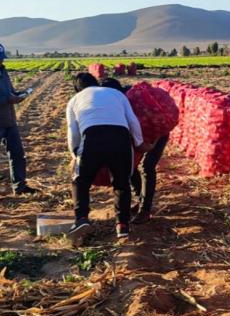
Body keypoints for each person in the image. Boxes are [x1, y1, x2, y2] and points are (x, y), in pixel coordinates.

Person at [66, 73, 150, 246]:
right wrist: (140, 143)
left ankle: (81, 218)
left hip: (92, 138)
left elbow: (72, 131)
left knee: (80, 181)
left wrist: (75, 155)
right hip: (120, 138)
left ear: (77, 89)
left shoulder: (75, 100)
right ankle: (122, 225)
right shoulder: (117, 94)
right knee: (121, 183)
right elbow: (132, 120)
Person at [0, 42, 38, 203]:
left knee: (18, 154)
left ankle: (20, 186)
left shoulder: (1, 71)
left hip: (10, 120)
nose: (1, 61)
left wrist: (20, 94)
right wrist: (7, 99)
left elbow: (10, 91)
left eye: (2, 58)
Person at [100, 78, 168, 224]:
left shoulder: (132, 100)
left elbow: (153, 121)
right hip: (141, 133)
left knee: (146, 166)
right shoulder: (119, 99)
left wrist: (148, 144)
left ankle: (145, 210)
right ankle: (140, 200)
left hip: (157, 132)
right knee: (130, 165)